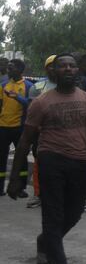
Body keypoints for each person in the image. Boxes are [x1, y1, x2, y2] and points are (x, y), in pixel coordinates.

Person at [6, 53, 86, 264]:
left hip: (80, 162)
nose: (68, 70)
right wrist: (15, 181)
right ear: (53, 71)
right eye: (62, 66)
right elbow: (24, 141)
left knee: (73, 213)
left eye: (72, 66)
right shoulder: (42, 102)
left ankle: (45, 241)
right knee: (52, 215)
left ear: (77, 71)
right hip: (51, 161)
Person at [27, 55, 58, 209]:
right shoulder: (37, 87)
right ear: (47, 68)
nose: (56, 68)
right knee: (40, 163)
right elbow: (33, 112)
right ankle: (38, 194)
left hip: (64, 134)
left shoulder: (70, 86)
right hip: (42, 133)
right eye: (52, 65)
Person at [0, 59, 33, 196]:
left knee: (21, 158)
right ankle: (0, 187)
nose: (8, 71)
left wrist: (17, 97)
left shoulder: (28, 86)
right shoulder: (3, 85)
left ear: (19, 70)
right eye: (8, 68)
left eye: (11, 68)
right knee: (1, 157)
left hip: (19, 127)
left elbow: (31, 105)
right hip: (2, 127)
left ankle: (20, 187)